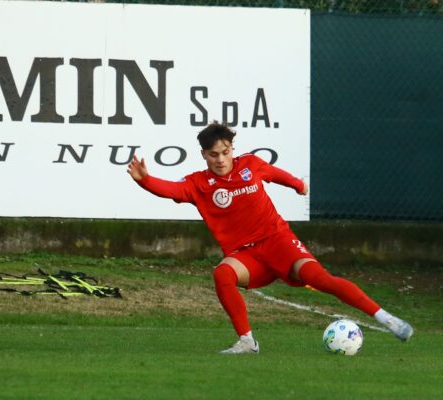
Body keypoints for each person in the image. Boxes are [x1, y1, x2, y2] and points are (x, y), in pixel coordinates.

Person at [127, 121, 413, 354]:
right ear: (204, 154)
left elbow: (275, 174)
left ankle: (386, 318)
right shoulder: (198, 183)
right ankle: (247, 342)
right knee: (222, 274)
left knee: (322, 280)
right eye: (214, 154)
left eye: (225, 152)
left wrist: (298, 184)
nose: (221, 159)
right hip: (246, 255)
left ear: (231, 149)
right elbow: (171, 190)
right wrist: (144, 180)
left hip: (278, 241)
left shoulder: (250, 164)